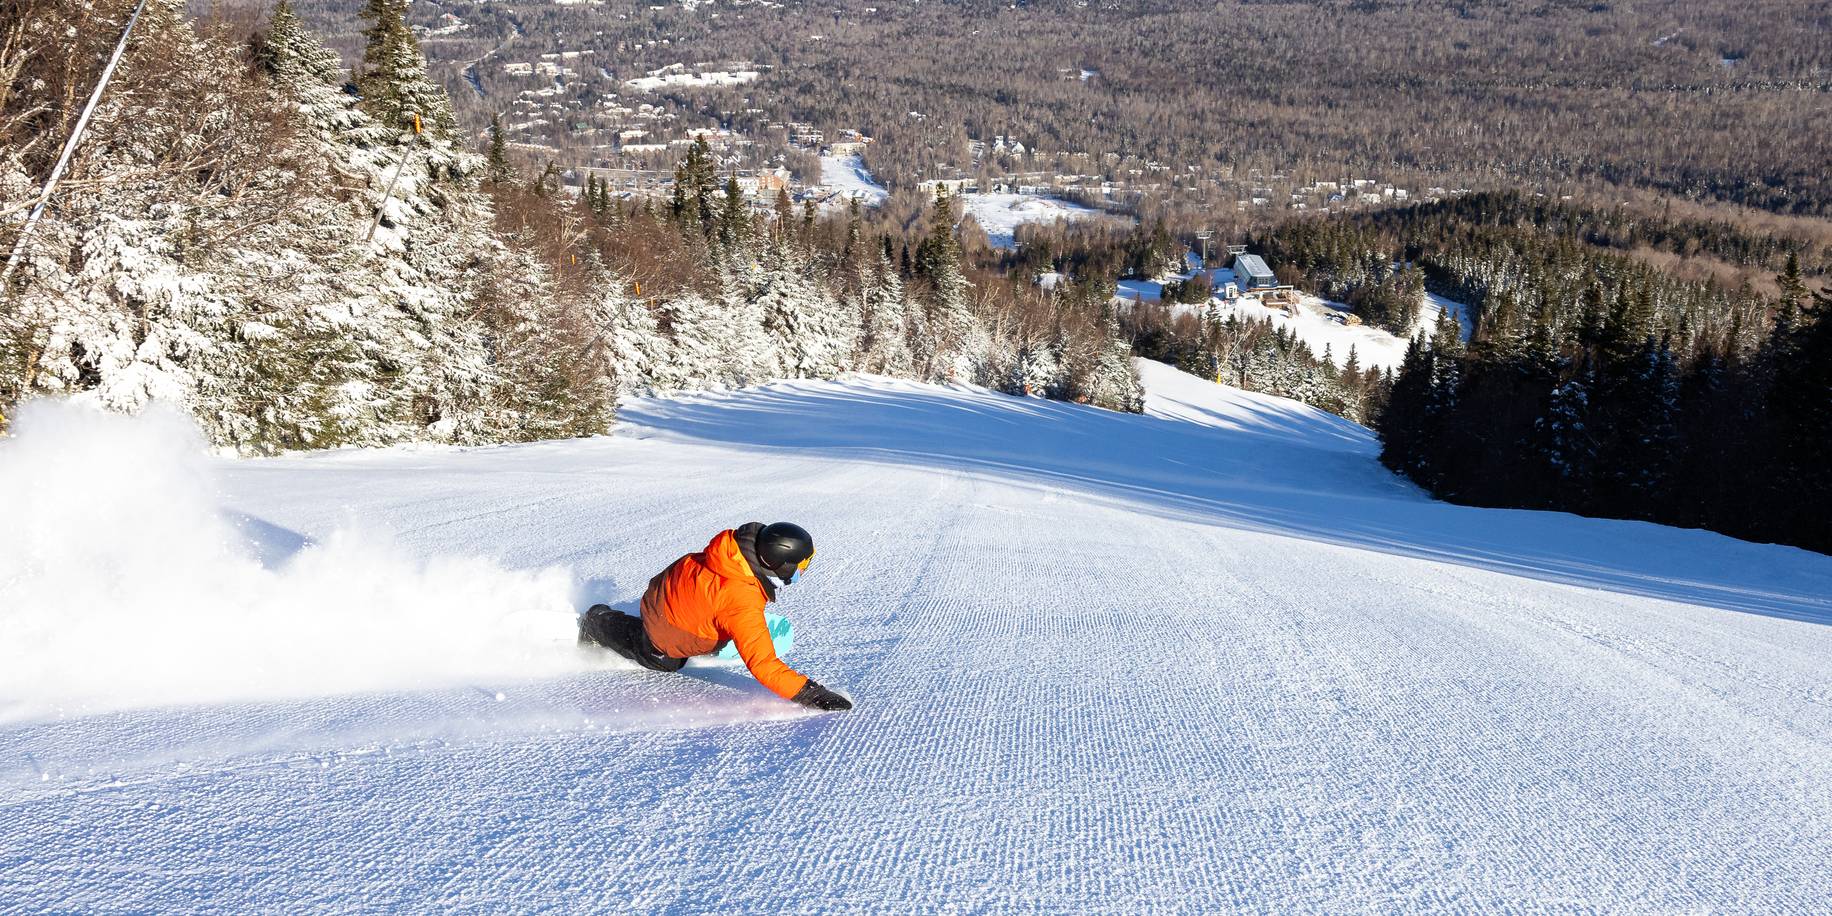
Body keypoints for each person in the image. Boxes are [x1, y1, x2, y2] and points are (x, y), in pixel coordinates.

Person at [579, 522, 853, 711]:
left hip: (667, 589)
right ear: (781, 565)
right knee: (664, 658)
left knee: (727, 620)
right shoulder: (741, 604)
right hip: (665, 627)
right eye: (802, 565)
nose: (802, 571)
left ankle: (723, 632)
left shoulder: (732, 553)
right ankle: (596, 623)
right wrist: (812, 693)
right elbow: (764, 665)